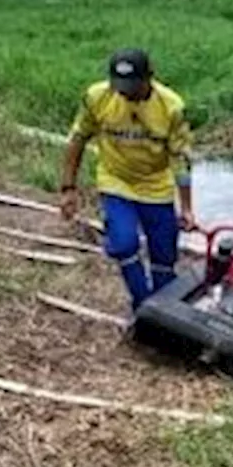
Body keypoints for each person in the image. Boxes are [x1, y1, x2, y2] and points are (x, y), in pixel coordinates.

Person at [59, 48, 197, 312]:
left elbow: (180, 160)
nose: (125, 92)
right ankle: (142, 306)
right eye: (120, 85)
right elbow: (77, 140)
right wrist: (68, 188)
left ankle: (164, 313)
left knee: (164, 259)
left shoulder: (171, 107)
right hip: (116, 181)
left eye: (132, 85)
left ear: (149, 78)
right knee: (123, 244)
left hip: (156, 186)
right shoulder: (97, 97)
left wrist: (187, 207)